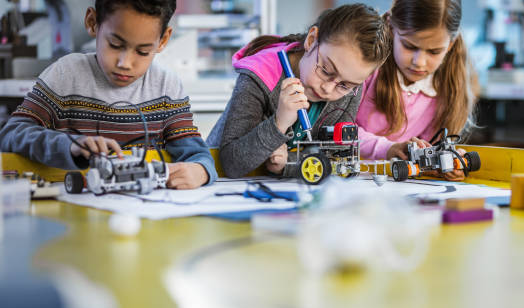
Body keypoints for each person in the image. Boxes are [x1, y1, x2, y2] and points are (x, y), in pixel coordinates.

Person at [0, 0, 217, 189]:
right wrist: (71, 145)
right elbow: (11, 134)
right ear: (93, 22)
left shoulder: (167, 87)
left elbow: (197, 155)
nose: (125, 63)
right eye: (114, 45)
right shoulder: (65, 74)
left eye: (142, 52)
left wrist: (201, 171)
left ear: (163, 40)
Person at [207, 3, 391, 178]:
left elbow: (337, 160)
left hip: (282, 193)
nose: (327, 88)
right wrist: (279, 123)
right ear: (311, 41)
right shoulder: (259, 76)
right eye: (326, 70)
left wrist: (289, 165)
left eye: (344, 85)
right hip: (219, 183)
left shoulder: (352, 90)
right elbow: (230, 163)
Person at [356, 0, 476, 181]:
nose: (419, 62)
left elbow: (428, 148)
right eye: (410, 46)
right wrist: (387, 149)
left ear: (450, 45)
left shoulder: (446, 88)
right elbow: (336, 129)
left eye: (434, 52)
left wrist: (443, 163)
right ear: (390, 28)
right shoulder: (365, 66)